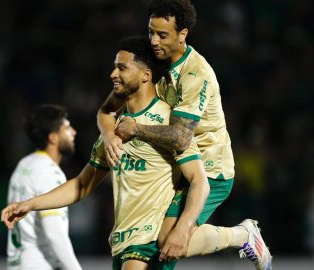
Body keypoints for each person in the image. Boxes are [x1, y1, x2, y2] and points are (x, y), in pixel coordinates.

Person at [2, 36, 210, 270]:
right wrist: (30, 205)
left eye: (122, 67)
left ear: (145, 75)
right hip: (122, 245)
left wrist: (182, 228)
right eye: (113, 67)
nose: (113, 74)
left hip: (148, 245)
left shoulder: (166, 121)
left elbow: (200, 181)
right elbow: (82, 185)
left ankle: (238, 236)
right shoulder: (114, 133)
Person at [97, 1, 272, 269]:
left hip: (209, 168)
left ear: (183, 34)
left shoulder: (195, 73)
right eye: (151, 32)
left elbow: (180, 137)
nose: (154, 41)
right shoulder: (151, 62)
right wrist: (109, 135)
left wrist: (137, 128)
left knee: (169, 239)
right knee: (154, 249)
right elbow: (106, 111)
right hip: (175, 168)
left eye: (162, 35)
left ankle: (243, 235)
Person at [5, 104, 82, 270]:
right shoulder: (49, 173)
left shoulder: (24, 165)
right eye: (67, 128)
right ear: (53, 138)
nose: (73, 132)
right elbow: (55, 233)